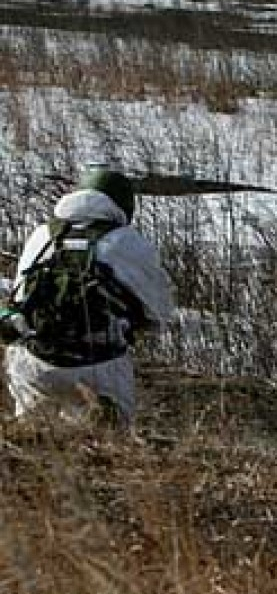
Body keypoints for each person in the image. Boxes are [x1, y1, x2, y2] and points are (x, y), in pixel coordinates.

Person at [1, 166, 174, 428]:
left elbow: (19, 296)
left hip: (33, 363)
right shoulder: (128, 242)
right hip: (99, 366)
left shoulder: (42, 235)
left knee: (32, 437)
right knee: (110, 442)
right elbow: (159, 313)